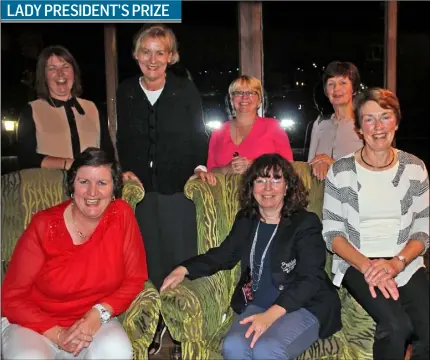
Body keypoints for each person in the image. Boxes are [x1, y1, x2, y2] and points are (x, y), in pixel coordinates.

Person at [162, 153, 342, 360]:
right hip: (258, 303)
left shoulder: (305, 223)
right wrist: (183, 269)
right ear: (251, 187)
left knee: (268, 349)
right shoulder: (247, 220)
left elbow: (311, 279)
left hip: (305, 305)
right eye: (260, 180)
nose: (268, 188)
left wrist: (270, 316)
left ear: (287, 187)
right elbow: (224, 255)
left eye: (276, 179)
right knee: (233, 346)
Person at [1, 147, 148, 359]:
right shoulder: (44, 226)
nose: (92, 192)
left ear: (114, 188)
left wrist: (98, 314)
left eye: (102, 183)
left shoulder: (122, 216)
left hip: (92, 320)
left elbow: (135, 279)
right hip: (35, 324)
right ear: (72, 186)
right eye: (84, 182)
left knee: (117, 351)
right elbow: (12, 299)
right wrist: (59, 335)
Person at [115, 24, 208, 358]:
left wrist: (199, 168)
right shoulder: (126, 90)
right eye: (146, 51)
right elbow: (123, 137)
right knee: (147, 260)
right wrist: (124, 168)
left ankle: (182, 327)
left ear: (171, 56)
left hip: (178, 188)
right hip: (141, 191)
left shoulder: (184, 90)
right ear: (137, 55)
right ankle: (152, 326)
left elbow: (198, 134)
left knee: (179, 259)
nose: (152, 59)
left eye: (160, 52)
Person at [322, 88, 429, 360]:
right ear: (359, 128)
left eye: (385, 117)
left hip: (403, 260)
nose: (378, 127)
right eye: (369, 119)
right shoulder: (341, 170)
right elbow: (333, 234)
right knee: (396, 325)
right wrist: (367, 266)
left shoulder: (415, 168)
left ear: (396, 121)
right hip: (357, 261)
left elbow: (422, 231)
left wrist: (397, 263)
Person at [16, 45, 115, 171]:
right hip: (49, 188)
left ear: (74, 72)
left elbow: (108, 155)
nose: (60, 73)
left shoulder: (93, 108)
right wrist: (69, 164)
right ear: (44, 76)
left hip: (90, 188)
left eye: (66, 67)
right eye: (52, 68)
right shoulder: (31, 110)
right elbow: (26, 159)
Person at [196, 75, 294, 186]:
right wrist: (226, 169)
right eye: (238, 92)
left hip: (265, 198)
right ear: (231, 99)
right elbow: (210, 171)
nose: (244, 97)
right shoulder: (218, 132)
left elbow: (288, 165)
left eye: (251, 93)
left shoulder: (272, 126)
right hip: (226, 199)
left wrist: (254, 165)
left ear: (259, 100)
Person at [307, 61, 363, 180]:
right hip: (323, 196)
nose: (336, 89)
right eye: (331, 84)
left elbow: (373, 169)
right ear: (326, 91)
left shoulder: (364, 124)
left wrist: (333, 164)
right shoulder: (320, 124)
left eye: (343, 83)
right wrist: (316, 164)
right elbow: (309, 164)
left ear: (354, 89)